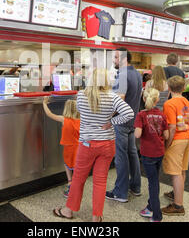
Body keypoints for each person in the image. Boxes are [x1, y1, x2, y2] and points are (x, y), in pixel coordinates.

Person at [52, 69, 134, 221]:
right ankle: (96, 217)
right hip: (107, 145)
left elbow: (82, 114)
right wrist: (111, 122)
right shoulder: (112, 97)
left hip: (87, 144)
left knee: (78, 178)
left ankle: (68, 211)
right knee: (100, 181)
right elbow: (129, 113)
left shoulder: (81, 96)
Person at [106, 48, 142, 203]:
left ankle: (120, 192)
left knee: (121, 156)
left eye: (115, 57)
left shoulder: (122, 75)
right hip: (132, 120)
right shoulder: (137, 74)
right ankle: (135, 187)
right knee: (132, 154)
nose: (113, 60)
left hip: (121, 121)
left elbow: (119, 99)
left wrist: (108, 119)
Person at [134, 88, 169, 222]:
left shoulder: (141, 115)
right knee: (155, 180)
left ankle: (156, 215)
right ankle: (150, 207)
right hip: (159, 152)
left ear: (143, 99)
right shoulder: (162, 115)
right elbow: (166, 135)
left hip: (147, 153)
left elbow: (137, 134)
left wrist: (137, 126)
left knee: (152, 183)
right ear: (158, 100)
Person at [161, 76, 189, 216]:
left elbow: (172, 127)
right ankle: (176, 193)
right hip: (187, 137)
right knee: (182, 169)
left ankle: (178, 206)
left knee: (175, 173)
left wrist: (167, 144)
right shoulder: (188, 103)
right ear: (184, 88)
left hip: (176, 139)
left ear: (169, 88)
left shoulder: (169, 104)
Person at [42, 97, 80, 197]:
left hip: (69, 148)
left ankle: (70, 183)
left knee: (67, 164)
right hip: (79, 148)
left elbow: (49, 114)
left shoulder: (64, 119)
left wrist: (44, 103)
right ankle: (76, 186)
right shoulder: (81, 120)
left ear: (66, 109)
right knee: (77, 167)